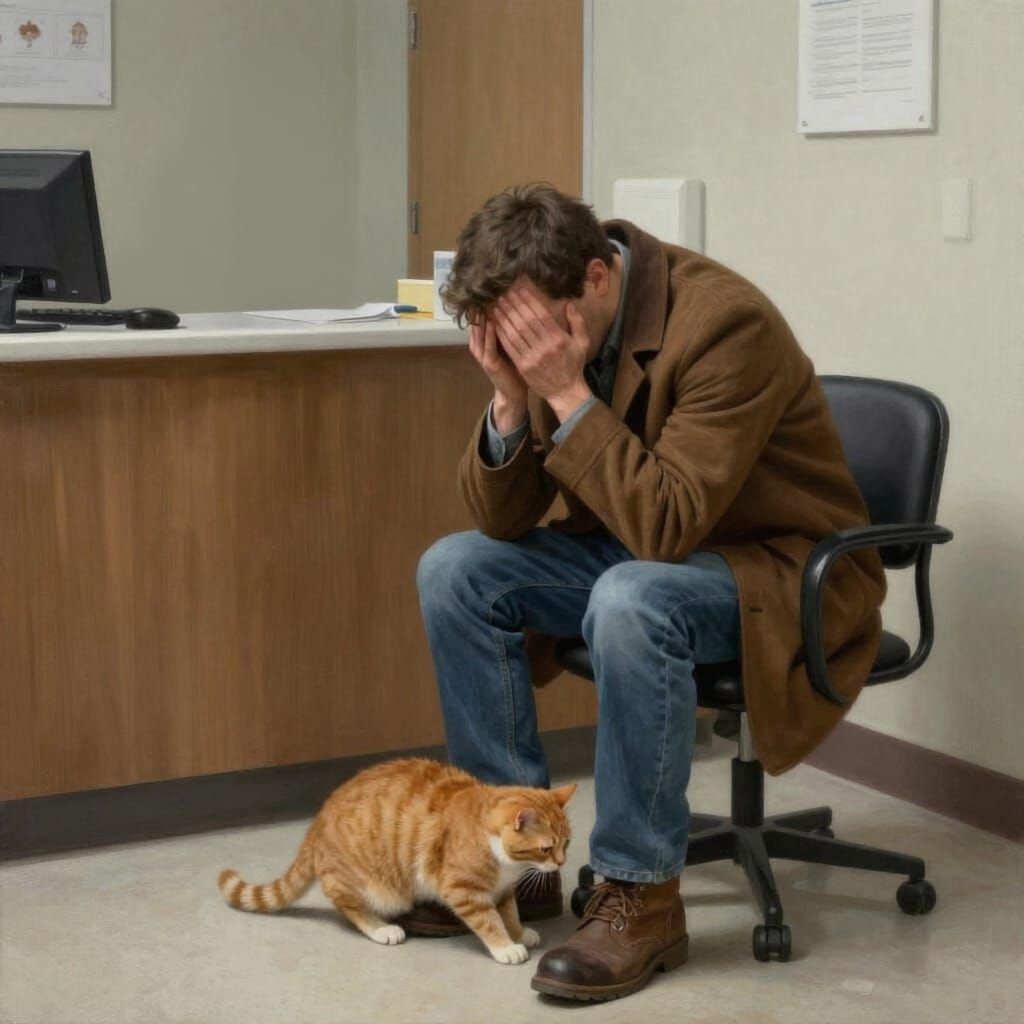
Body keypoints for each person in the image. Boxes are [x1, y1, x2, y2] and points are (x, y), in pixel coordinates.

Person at [405, 183, 886, 1002]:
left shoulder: (726, 326)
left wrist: (565, 391)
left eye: (530, 332)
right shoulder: (562, 328)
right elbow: (502, 521)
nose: (524, 348)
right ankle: (512, 866)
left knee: (632, 598)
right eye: (503, 336)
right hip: (639, 547)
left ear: (597, 278)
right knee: (455, 569)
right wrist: (511, 399)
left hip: (768, 565)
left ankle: (641, 895)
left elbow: (667, 527)